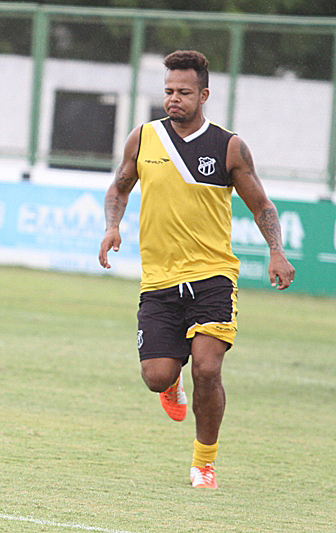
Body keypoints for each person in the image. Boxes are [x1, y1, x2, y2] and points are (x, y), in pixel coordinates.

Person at [98, 50, 295, 489]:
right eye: (168, 91)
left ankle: (204, 463)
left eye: (184, 92)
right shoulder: (144, 138)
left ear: (203, 94)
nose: (174, 99)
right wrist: (113, 226)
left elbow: (262, 205)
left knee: (207, 368)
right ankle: (171, 385)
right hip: (160, 279)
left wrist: (276, 251)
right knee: (156, 376)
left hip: (212, 276)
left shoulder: (229, 147)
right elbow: (119, 186)